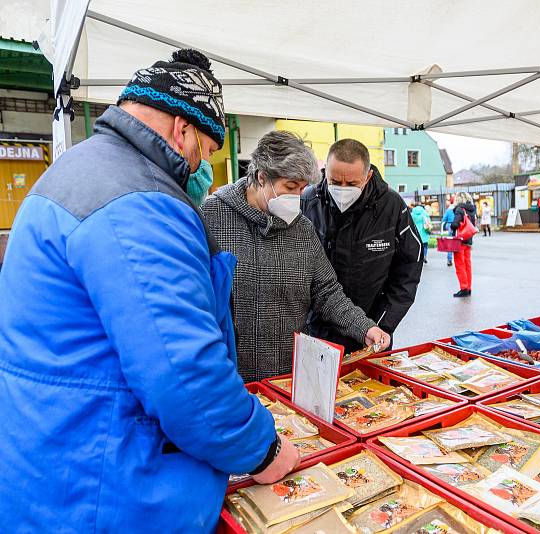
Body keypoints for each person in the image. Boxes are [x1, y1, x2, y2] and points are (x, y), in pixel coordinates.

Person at [0, 50, 298, 531]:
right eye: (205, 148)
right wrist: (263, 448)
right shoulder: (140, 202)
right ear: (183, 129)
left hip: (52, 460)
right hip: (103, 486)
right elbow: (185, 374)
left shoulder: (77, 170)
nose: (202, 164)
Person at [202, 131, 390, 381]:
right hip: (229, 378)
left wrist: (364, 327)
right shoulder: (212, 217)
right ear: (261, 177)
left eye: (302, 188)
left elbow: (328, 292)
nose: (298, 197)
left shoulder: (302, 228)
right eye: (290, 187)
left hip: (289, 376)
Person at [302, 139, 423, 353]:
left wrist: (382, 324)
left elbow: (409, 268)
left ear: (367, 177)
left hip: (373, 333)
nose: (342, 189)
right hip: (316, 333)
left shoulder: (392, 206)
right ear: (325, 172)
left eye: (351, 184)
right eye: (335, 181)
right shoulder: (308, 201)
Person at [451, 192, 477, 298]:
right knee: (467, 265)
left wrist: (452, 226)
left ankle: (464, 288)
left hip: (460, 241)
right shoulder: (472, 210)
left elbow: (455, 224)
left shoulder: (459, 209)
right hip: (468, 240)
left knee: (459, 265)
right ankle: (468, 287)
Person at [441, 198, 456, 267]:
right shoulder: (459, 209)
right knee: (457, 243)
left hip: (450, 226)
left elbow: (443, 220)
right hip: (458, 227)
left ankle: (449, 259)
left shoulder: (448, 210)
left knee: (450, 243)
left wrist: (444, 226)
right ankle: (457, 259)